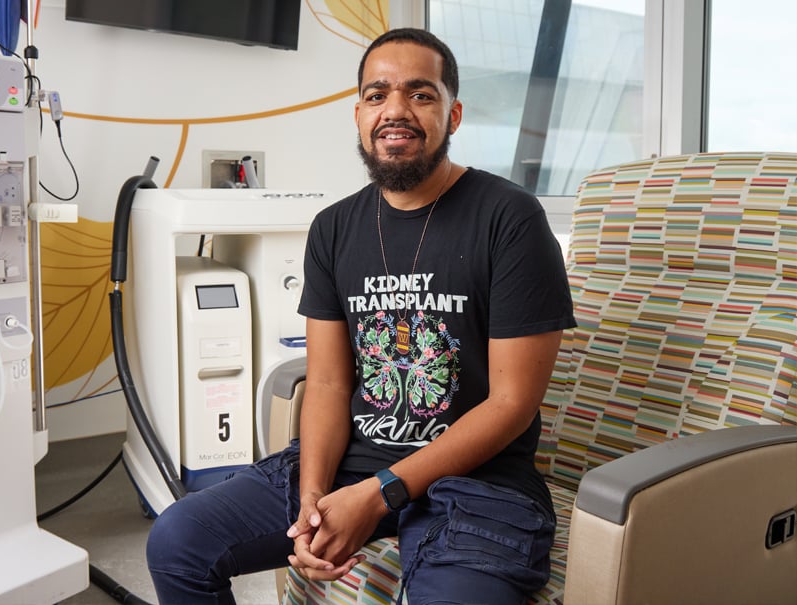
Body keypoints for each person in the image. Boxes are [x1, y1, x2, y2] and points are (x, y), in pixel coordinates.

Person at [146, 27, 575, 605]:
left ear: (454, 115)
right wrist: (313, 496)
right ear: (358, 114)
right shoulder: (334, 228)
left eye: (421, 94)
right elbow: (325, 380)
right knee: (177, 542)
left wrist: (381, 494)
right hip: (354, 458)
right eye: (377, 95)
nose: (395, 110)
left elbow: (511, 404)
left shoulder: (511, 219)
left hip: (478, 481)